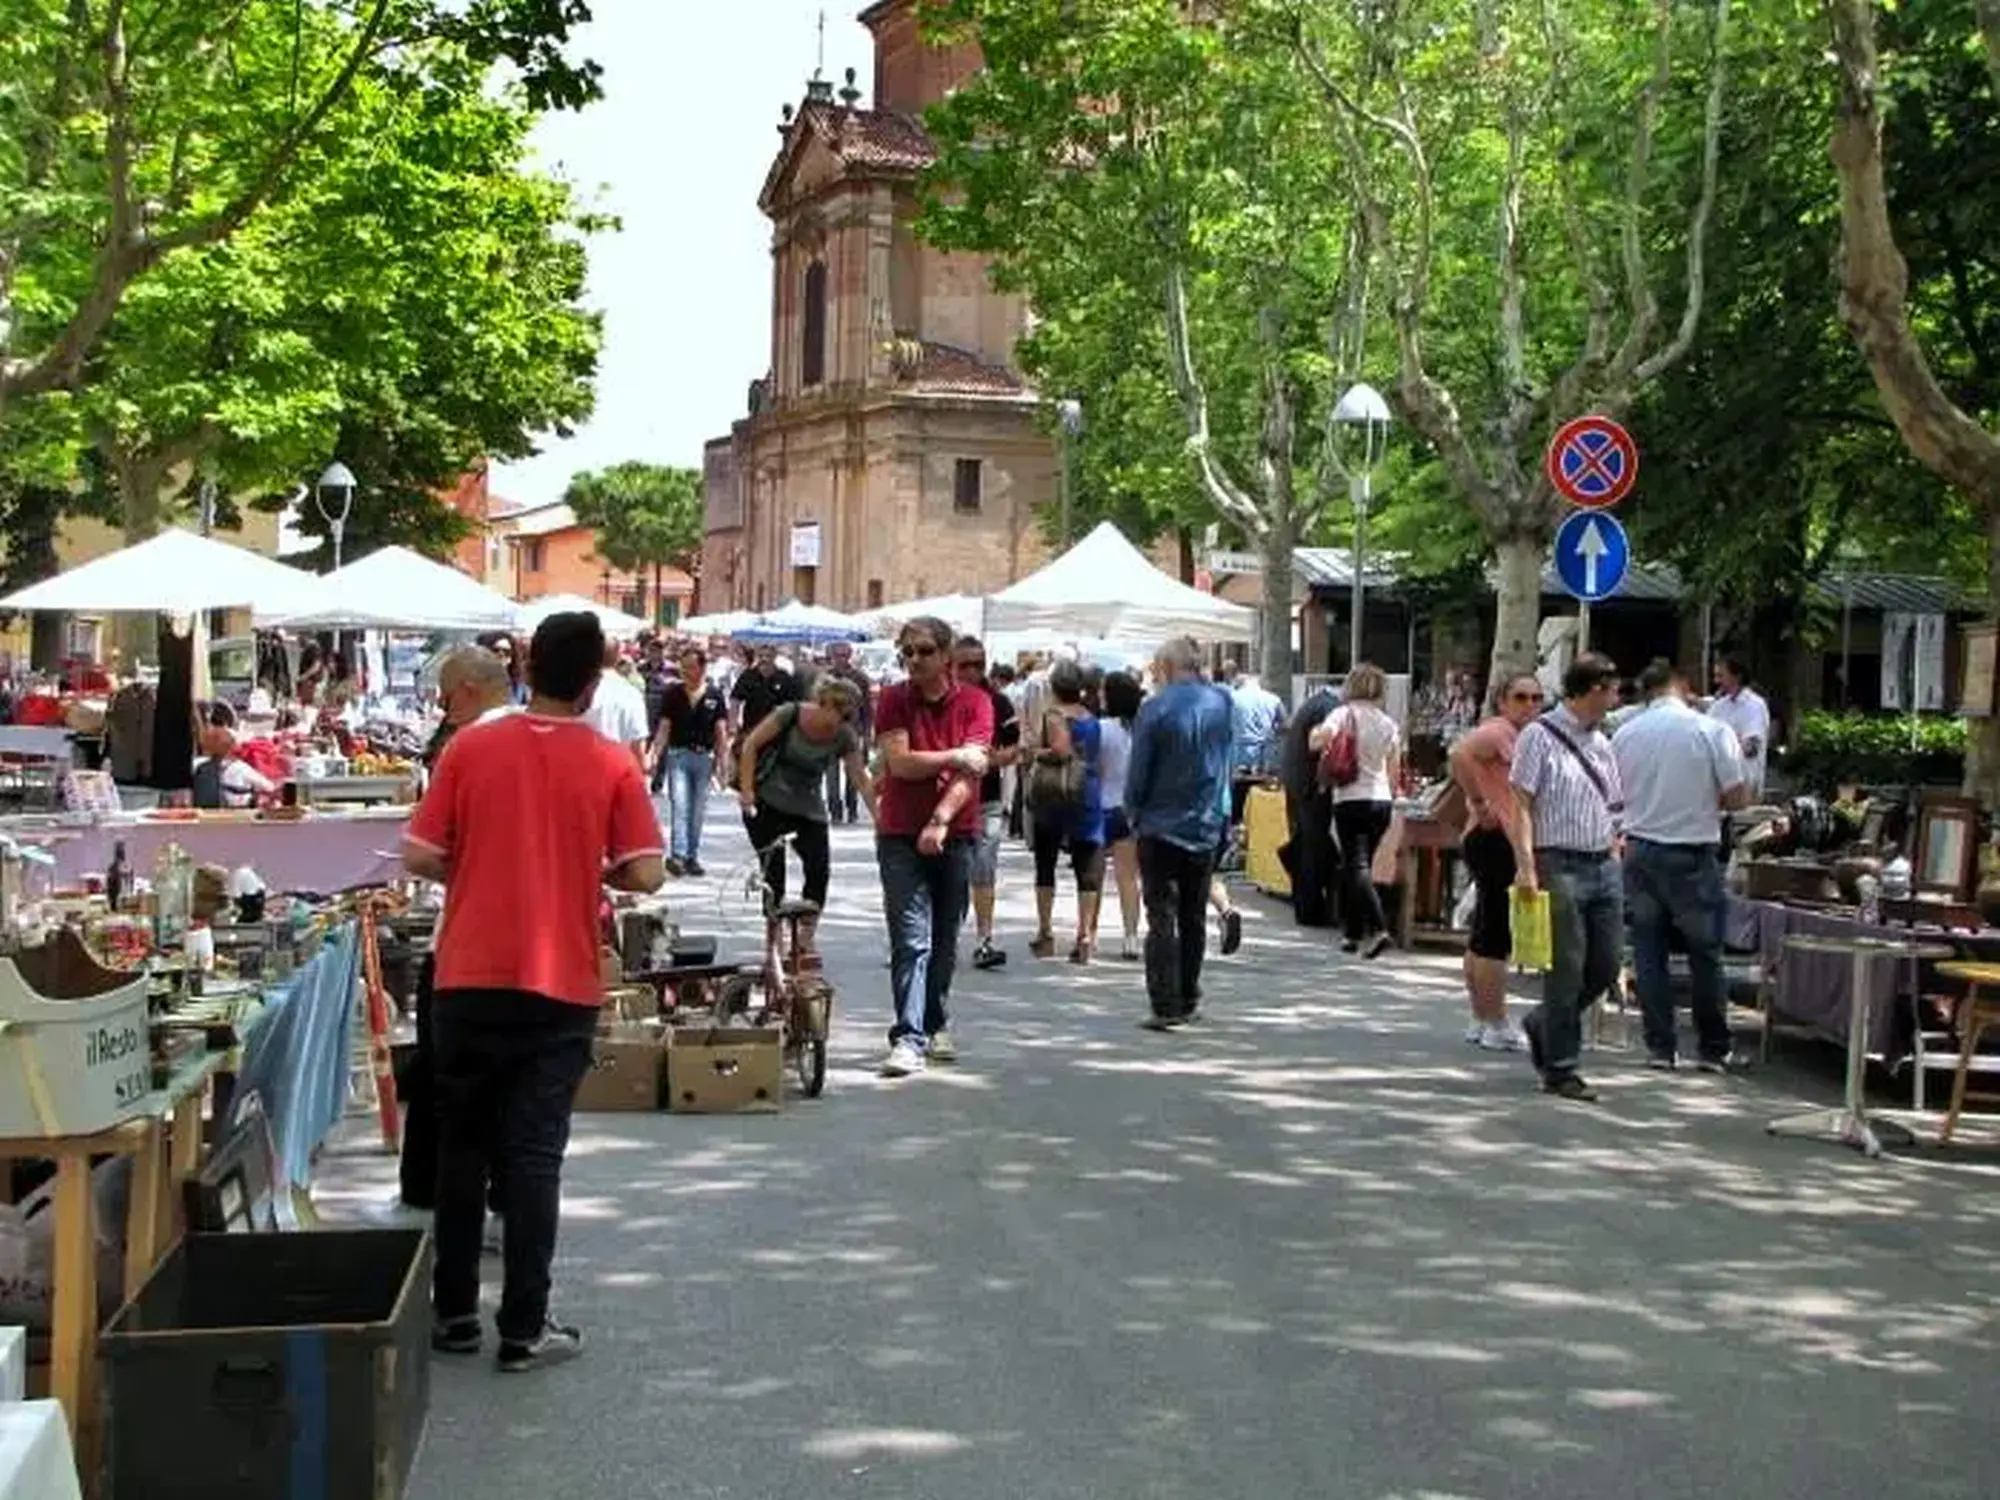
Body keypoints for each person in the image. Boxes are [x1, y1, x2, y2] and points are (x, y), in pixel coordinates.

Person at [402, 612, 666, 1372]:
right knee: (534, 1154)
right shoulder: (612, 761)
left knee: (462, 1145)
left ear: (526, 666)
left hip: (468, 973)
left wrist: (484, 868)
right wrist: (594, 871)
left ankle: (453, 1312)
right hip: (560, 980)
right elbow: (646, 872)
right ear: (592, 683)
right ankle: (524, 1324)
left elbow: (421, 852)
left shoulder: (472, 745)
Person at [400, 646, 517, 1216]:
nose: (441, 707)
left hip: (468, 939)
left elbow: (422, 852)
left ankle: (441, 1198)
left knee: (450, 1072)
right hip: (531, 946)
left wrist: (468, 869)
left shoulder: (467, 747)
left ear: (469, 690)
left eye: (445, 696)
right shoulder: (544, 738)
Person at [1613, 659, 1750, 1071]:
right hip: (1692, 851)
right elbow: (1738, 798)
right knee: (1704, 954)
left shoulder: (1625, 734)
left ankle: (1660, 1046)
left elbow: (1615, 795)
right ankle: (1712, 1047)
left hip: (1639, 849)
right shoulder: (1710, 730)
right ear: (1683, 686)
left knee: (1649, 951)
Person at [873, 615, 993, 1077]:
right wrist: (952, 755)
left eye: (924, 651)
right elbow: (900, 764)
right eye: (907, 652)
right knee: (910, 939)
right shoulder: (893, 700)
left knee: (944, 938)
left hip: (956, 834)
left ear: (946, 656)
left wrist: (941, 820)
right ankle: (907, 1036)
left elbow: (973, 771)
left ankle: (935, 1019)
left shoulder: (977, 703)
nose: (914, 660)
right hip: (900, 832)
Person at [1507, 651, 1625, 1104]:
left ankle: (1544, 1023)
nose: (1615, 701)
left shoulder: (1602, 742)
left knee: (1605, 965)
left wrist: (1616, 847)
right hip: (1559, 862)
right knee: (1568, 968)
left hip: (1602, 861)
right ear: (1593, 690)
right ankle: (1561, 1068)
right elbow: (1521, 802)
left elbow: (1613, 801)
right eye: (1612, 691)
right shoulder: (1539, 736)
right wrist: (1526, 865)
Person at [1126, 637, 1234, 1028]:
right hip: (1205, 823)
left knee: (1161, 917)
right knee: (1192, 915)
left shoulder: (1154, 708)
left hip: (1160, 824)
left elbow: (1139, 771)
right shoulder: (1221, 702)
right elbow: (1226, 761)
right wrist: (1224, 814)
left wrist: (1133, 811)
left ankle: (1165, 1004)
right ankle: (1188, 995)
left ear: (1168, 667)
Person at [735, 676, 877, 952]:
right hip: (769, 802)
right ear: (822, 703)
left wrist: (879, 817)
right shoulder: (791, 714)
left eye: (847, 715)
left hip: (808, 807)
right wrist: (746, 789)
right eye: (836, 711)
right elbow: (751, 744)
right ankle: (774, 935)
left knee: (819, 868)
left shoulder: (845, 736)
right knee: (773, 873)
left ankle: (805, 934)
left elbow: (859, 777)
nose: (838, 720)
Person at [1448, 672, 1542, 1052]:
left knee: (1486, 927)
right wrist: (1479, 802)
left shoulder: (1519, 736)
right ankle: (1495, 1019)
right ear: (1502, 701)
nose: (1530, 705)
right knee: (1495, 934)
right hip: (1496, 836)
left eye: (1537, 698)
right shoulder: (1500, 731)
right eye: (1521, 697)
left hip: (1491, 835)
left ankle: (1481, 1015)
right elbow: (1459, 754)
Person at [1312, 662, 1403, 959]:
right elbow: (1393, 770)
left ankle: (1379, 928)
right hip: (1381, 800)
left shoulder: (1342, 713)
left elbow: (1318, 740)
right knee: (1358, 865)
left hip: (1350, 797)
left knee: (1356, 864)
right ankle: (1351, 933)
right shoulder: (1388, 723)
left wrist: (1316, 734)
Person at [1026, 659, 1107, 963]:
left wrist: (1035, 752)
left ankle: (1046, 933)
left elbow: (1059, 750)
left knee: (1045, 863)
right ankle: (1085, 934)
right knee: (1087, 866)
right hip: (1086, 790)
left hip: (1054, 794)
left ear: (1054, 687)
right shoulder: (1091, 716)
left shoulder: (1054, 714)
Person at [955, 638, 1021, 971]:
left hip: (987, 800)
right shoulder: (941, 699)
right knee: (944, 873)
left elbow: (1014, 747)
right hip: (946, 802)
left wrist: (993, 761)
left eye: (978, 665)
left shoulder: (999, 702)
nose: (971, 672)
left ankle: (984, 939)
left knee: (983, 868)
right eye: (964, 664)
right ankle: (934, 938)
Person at [652, 646, 730, 877]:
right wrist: (655, 753)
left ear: (702, 668)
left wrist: (723, 765)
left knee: (697, 810)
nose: (686, 672)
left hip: (704, 758)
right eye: (682, 668)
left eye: (691, 667)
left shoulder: (714, 695)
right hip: (678, 755)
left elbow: (721, 732)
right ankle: (678, 855)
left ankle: (692, 856)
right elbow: (664, 727)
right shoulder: (673, 694)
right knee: (680, 804)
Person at [1279, 683, 1342, 928]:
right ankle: (1310, 908)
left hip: (1298, 781)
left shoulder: (1317, 702)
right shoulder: (1329, 708)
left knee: (1306, 843)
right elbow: (1317, 744)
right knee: (1312, 847)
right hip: (1310, 784)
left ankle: (1307, 904)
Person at [1097, 669, 1145, 961]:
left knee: (1092, 876)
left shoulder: (1102, 729)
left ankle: (1087, 931)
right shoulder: (1142, 730)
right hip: (1130, 809)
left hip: (1103, 807)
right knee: (1128, 878)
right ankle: (1130, 936)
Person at [818, 640, 874, 823]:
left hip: (853, 731)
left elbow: (867, 708)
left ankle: (852, 808)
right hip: (828, 732)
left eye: (844, 655)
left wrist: (867, 734)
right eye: (837, 656)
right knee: (831, 774)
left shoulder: (860, 678)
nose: (840, 660)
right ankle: (834, 809)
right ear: (831, 657)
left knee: (853, 773)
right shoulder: (824, 678)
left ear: (850, 656)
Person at [730, 643, 799, 782]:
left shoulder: (783, 677)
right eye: (761, 656)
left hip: (776, 731)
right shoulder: (748, 676)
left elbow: (793, 704)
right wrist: (733, 724)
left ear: (774, 657)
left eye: (768, 656)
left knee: (773, 766)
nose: (764, 659)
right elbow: (735, 699)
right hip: (751, 727)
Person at [582, 638, 650, 776]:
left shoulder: (577, 691)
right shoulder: (631, 693)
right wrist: (642, 771)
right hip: (618, 771)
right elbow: (637, 741)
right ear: (618, 657)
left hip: (583, 769)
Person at [1707, 654, 1770, 800]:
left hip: (1745, 785)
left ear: (1737, 677)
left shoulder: (1754, 705)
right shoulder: (1718, 706)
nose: (1716, 681)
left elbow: (1752, 747)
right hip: (1717, 786)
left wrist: (1724, 747)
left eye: (1721, 676)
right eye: (1716, 676)